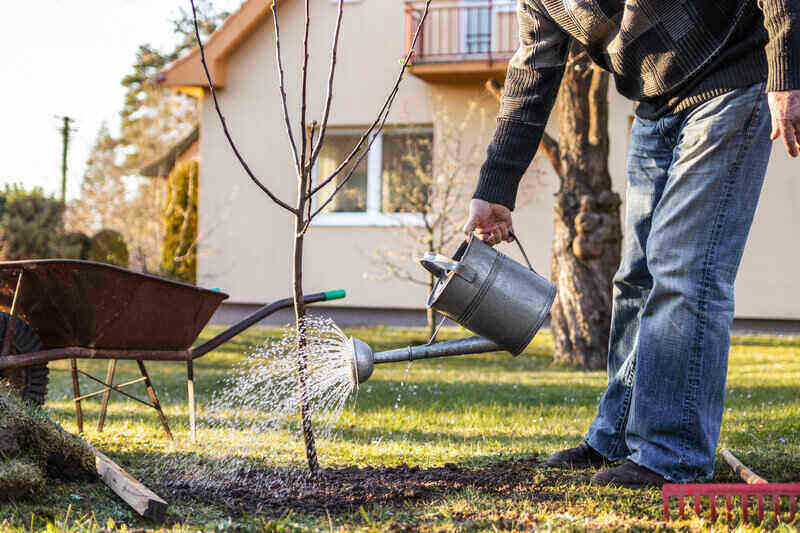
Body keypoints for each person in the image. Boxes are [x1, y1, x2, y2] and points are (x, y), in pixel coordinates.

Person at [463, 0, 799, 488]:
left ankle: (673, 455)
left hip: (731, 78)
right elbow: (532, 71)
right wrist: (495, 188)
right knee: (636, 280)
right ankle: (616, 436)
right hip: (655, 104)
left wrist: (787, 69)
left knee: (685, 271)